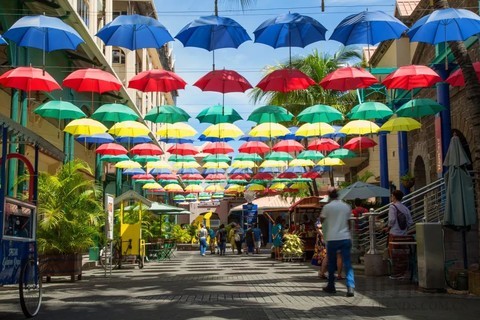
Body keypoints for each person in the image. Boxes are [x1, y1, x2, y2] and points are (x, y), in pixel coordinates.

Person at [320, 188, 355, 297]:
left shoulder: (327, 207)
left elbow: (322, 220)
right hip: (345, 237)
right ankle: (350, 287)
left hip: (332, 238)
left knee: (331, 263)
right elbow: (349, 223)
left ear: (330, 196)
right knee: (348, 263)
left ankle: (331, 286)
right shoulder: (346, 206)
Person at [386, 190, 414, 278]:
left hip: (394, 234)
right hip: (404, 235)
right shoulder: (405, 208)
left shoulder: (392, 207)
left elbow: (391, 220)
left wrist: (388, 228)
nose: (391, 197)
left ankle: (396, 273)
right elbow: (410, 222)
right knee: (403, 254)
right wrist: (404, 230)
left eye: (392, 196)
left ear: (394, 197)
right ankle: (403, 272)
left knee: (394, 254)